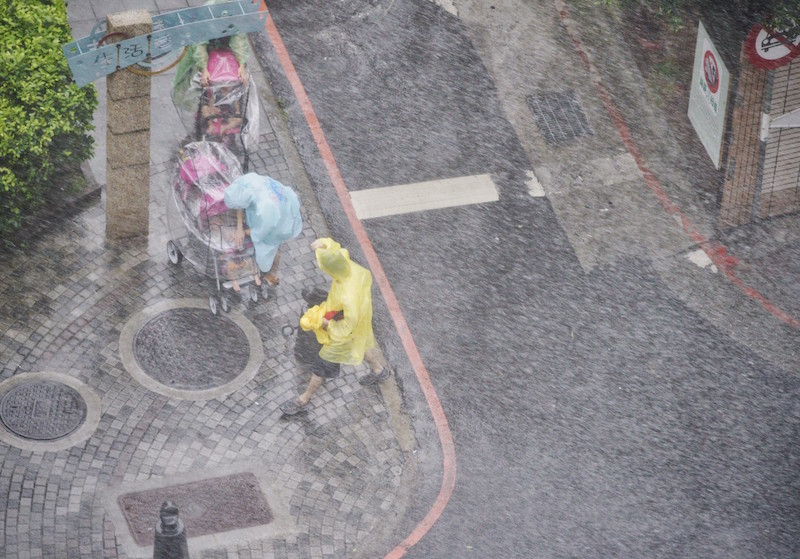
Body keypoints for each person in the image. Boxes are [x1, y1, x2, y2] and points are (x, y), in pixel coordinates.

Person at [280, 238, 391, 416]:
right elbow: (337, 250)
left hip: (343, 329)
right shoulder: (346, 263)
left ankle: (303, 400)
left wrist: (326, 323)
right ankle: (378, 370)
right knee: (358, 343)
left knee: (320, 366)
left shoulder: (348, 296)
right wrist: (324, 245)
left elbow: (348, 324)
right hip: (353, 320)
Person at [223, 172, 302, 288]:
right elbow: (240, 202)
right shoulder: (247, 182)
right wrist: (239, 227)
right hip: (276, 200)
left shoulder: (266, 211)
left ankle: (270, 273)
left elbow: (262, 232)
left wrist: (244, 232)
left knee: (271, 247)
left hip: (283, 216)